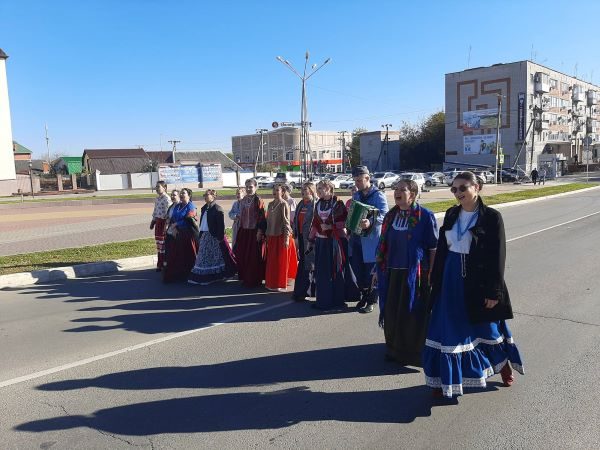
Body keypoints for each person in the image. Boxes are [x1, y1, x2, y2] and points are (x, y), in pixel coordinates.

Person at [423, 171, 524, 398]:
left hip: (476, 281)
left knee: (485, 327)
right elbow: (442, 250)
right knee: (446, 328)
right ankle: (441, 380)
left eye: (462, 188)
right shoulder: (451, 214)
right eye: (454, 189)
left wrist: (493, 291)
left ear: (477, 187)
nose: (457, 193)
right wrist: (434, 277)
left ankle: (503, 365)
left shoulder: (491, 217)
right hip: (449, 279)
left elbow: (497, 257)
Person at [375, 180, 438, 366]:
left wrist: (432, 272)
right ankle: (393, 349)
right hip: (391, 272)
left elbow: (433, 247)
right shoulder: (390, 216)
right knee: (392, 311)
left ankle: (412, 354)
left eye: (402, 189)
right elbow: (382, 245)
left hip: (415, 274)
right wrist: (376, 270)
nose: (397, 192)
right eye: (395, 189)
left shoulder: (425, 216)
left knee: (412, 313)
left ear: (413, 194)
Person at [308, 179, 360, 310]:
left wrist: (331, 226)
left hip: (335, 242)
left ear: (329, 189)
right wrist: (311, 240)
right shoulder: (318, 204)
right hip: (321, 242)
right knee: (322, 272)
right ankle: (323, 301)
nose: (318, 191)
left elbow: (345, 223)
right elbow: (315, 223)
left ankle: (337, 301)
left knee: (335, 271)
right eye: (318, 188)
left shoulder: (338, 204)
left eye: (321, 188)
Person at [349, 165, 389, 314]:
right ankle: (364, 296)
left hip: (372, 240)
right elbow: (353, 211)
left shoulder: (378, 195)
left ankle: (372, 300)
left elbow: (385, 214)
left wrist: (370, 221)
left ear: (367, 178)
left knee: (371, 272)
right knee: (358, 271)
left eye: (359, 180)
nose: (357, 183)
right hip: (357, 239)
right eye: (355, 181)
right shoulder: (357, 195)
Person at [188, 190, 237, 285]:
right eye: (204, 195)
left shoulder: (218, 209)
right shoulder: (204, 208)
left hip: (213, 236)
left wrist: (220, 237)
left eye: (207, 195)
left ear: (213, 196)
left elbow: (221, 225)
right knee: (203, 256)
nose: (205, 197)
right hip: (205, 235)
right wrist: (201, 234)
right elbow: (203, 222)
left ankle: (215, 276)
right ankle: (203, 276)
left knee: (215, 257)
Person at [234, 178, 267, 287]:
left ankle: (254, 279)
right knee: (243, 254)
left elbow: (262, 218)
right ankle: (245, 278)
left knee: (253, 256)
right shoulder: (243, 200)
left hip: (254, 231)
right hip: (244, 231)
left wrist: (260, 232)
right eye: (247, 186)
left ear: (255, 187)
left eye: (251, 187)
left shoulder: (258, 200)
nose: (248, 189)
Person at [265, 184, 297, 291]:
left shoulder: (284, 204)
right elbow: (268, 221)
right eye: (273, 190)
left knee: (280, 261)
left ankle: (279, 283)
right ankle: (272, 282)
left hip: (281, 235)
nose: (275, 192)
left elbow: (287, 222)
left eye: (277, 190)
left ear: (282, 192)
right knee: (272, 261)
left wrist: (287, 238)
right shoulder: (270, 204)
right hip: (272, 235)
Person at [163, 188, 199, 283]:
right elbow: (173, 218)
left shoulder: (191, 206)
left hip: (187, 234)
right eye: (181, 193)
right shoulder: (178, 205)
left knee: (187, 255)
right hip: (176, 233)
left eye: (184, 193)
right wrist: (173, 227)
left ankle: (188, 274)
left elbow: (190, 220)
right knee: (176, 254)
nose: (182, 195)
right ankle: (178, 274)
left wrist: (176, 224)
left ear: (189, 195)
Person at [292, 182, 316, 301]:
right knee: (302, 262)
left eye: (305, 189)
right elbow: (296, 220)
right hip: (301, 237)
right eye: (302, 189)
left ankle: (307, 290)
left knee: (309, 264)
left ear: (311, 191)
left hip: (311, 239)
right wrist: (295, 235)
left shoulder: (315, 204)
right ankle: (301, 290)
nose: (302, 191)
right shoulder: (301, 204)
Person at [150, 181, 172, 272]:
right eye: (156, 186)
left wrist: (167, 225)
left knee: (163, 244)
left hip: (164, 223)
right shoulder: (157, 199)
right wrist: (153, 221)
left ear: (165, 188)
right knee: (159, 245)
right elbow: (155, 211)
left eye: (159, 186)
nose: (157, 188)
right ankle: (160, 263)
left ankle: (164, 264)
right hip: (158, 223)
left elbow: (169, 213)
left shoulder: (167, 199)